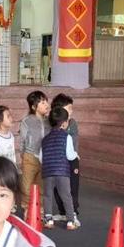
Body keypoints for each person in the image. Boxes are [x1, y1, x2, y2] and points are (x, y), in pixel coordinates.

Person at [40, 105, 79, 230]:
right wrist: (76, 155)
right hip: (62, 172)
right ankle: (70, 221)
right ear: (63, 123)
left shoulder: (45, 139)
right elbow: (70, 155)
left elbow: (41, 158)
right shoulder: (66, 137)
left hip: (48, 172)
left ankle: (48, 220)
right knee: (66, 196)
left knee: (47, 196)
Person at [19, 90, 50, 214]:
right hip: (30, 156)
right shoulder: (27, 121)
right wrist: (23, 154)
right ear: (33, 107)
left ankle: (39, 207)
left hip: (45, 158)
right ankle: (26, 207)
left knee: (41, 185)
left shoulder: (49, 121)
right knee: (27, 185)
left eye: (46, 101)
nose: (46, 104)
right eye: (42, 102)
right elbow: (22, 140)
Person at [50, 93, 80, 221]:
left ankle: (73, 214)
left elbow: (74, 141)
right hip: (57, 161)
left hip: (71, 161)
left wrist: (75, 155)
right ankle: (63, 213)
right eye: (69, 108)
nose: (71, 111)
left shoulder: (72, 123)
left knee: (72, 188)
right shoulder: (51, 123)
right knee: (57, 188)